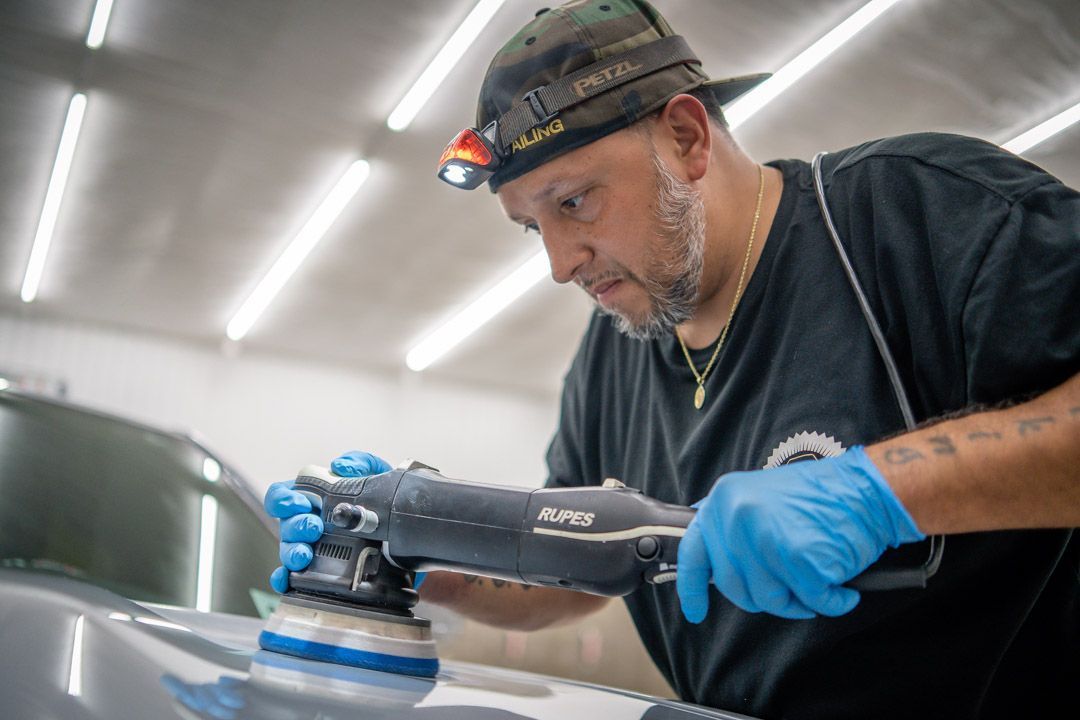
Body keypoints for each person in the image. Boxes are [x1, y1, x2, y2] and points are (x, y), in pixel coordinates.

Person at [266, 1, 1079, 717]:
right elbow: (568, 576)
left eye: (574, 201)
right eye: (533, 227)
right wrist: (410, 549)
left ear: (686, 138)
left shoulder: (913, 216)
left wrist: (876, 493)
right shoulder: (611, 354)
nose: (560, 264)